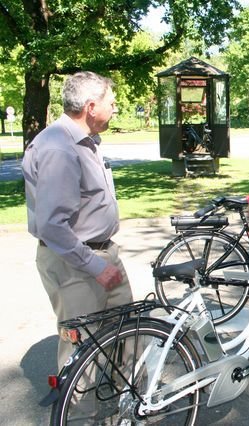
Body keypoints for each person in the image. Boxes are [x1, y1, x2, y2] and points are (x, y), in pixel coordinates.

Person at [22, 71, 133, 372]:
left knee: (129, 337)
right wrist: (96, 266)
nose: (116, 108)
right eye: (112, 102)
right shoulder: (59, 147)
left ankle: (130, 410)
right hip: (76, 263)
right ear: (91, 106)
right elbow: (53, 225)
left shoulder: (86, 141)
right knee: (84, 356)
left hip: (101, 252)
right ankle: (80, 418)